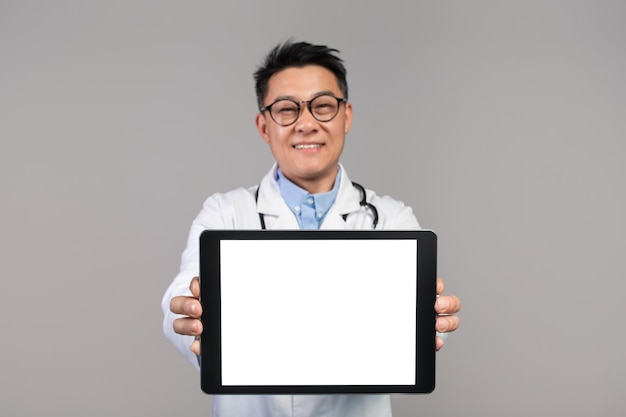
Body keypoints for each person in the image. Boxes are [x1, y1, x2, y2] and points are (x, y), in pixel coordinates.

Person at [162, 40, 461, 417]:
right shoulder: (224, 213)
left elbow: (415, 327)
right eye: (287, 109)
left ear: (346, 116)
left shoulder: (391, 219)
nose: (306, 124)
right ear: (263, 125)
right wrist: (189, 317)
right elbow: (182, 299)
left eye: (322, 106)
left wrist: (429, 323)